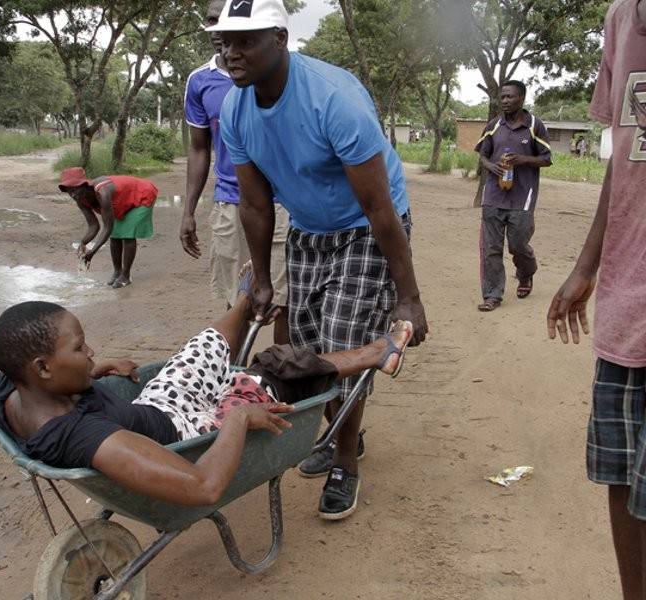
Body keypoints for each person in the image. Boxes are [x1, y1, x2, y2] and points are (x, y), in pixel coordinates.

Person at [209, 0, 428, 520]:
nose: (231, 54)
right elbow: (256, 204)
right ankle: (339, 429)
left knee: (343, 346)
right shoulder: (235, 109)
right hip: (309, 229)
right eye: (224, 42)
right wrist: (261, 280)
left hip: (365, 230)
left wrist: (409, 298)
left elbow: (378, 208)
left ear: (280, 40)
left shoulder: (334, 98)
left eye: (246, 41)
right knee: (305, 353)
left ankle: (346, 462)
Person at [0, 291, 414, 507]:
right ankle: (378, 352)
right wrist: (239, 419)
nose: (90, 351)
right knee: (273, 367)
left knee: (201, 348)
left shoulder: (5, 388)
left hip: (153, 406)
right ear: (42, 368)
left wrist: (89, 372)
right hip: (189, 432)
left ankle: (248, 301)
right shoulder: (84, 438)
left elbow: (42, 379)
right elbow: (204, 487)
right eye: (80, 348)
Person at [547, 1, 646, 598]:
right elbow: (627, 157)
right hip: (628, 302)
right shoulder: (619, 20)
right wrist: (587, 265)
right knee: (622, 470)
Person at [181, 0, 291, 344]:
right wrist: (188, 210)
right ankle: (231, 381)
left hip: (281, 203)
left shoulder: (280, 72)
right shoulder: (200, 81)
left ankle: (281, 380)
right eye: (214, 21)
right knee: (238, 300)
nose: (221, 31)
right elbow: (199, 148)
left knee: (285, 301)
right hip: (230, 203)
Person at [475, 80, 552, 312]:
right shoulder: (493, 125)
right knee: (491, 248)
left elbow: (546, 159)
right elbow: (482, 155)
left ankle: (526, 273)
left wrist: (523, 159)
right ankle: (492, 295)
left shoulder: (534, 126)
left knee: (518, 245)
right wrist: (491, 166)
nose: (505, 101)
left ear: (522, 98)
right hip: (494, 195)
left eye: (510, 97)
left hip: (522, 197)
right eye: (502, 97)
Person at [58, 167, 157, 288]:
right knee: (115, 236)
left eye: (74, 190)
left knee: (127, 235)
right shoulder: (80, 199)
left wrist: (93, 251)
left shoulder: (102, 192)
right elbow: (94, 226)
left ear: (84, 185)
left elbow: (107, 227)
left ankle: (125, 276)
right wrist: (83, 243)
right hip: (122, 201)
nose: (73, 195)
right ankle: (117, 272)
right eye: (69, 192)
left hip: (141, 193)